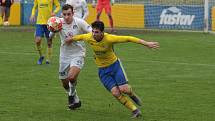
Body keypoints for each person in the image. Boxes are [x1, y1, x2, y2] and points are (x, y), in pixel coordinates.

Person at [64, 21, 159, 117]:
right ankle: (135, 110)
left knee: (124, 89)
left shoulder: (109, 38)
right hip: (102, 71)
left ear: (102, 32)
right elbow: (78, 37)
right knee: (115, 92)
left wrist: (146, 43)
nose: (93, 34)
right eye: (93, 31)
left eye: (96, 32)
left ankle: (132, 94)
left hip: (115, 66)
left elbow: (128, 38)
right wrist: (70, 39)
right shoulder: (89, 37)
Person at [49, 4, 92, 110]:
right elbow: (51, 33)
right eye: (64, 15)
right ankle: (76, 100)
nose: (67, 17)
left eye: (69, 14)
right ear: (62, 14)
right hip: (64, 55)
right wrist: (51, 35)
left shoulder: (80, 22)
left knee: (71, 77)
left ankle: (71, 97)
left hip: (78, 53)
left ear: (73, 13)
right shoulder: (58, 22)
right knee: (64, 83)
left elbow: (91, 33)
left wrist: (74, 38)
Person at [30, 0, 60, 64]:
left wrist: (55, 12)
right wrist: (32, 14)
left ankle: (48, 59)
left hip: (49, 23)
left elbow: (58, 6)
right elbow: (34, 7)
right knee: (37, 40)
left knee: (49, 42)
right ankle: (41, 56)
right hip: (39, 23)